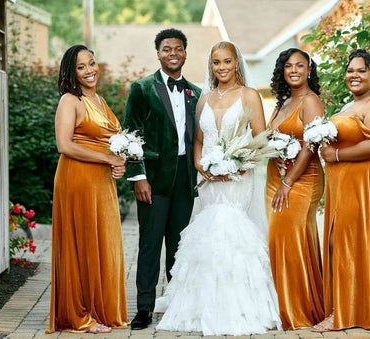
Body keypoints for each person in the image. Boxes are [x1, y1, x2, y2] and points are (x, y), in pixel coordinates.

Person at [154, 41, 281, 336]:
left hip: (238, 178)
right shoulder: (204, 98)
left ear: (236, 62)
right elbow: (198, 140)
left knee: (231, 232)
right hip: (209, 180)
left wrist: (239, 166)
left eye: (226, 61)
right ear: (210, 66)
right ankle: (202, 305)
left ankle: (239, 306)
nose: (221, 67)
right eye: (216, 62)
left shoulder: (249, 95)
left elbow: (261, 140)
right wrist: (202, 166)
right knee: (208, 235)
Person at [315, 49, 370, 331]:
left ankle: (343, 312)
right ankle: (348, 306)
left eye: (361, 70)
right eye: (350, 70)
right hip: (343, 186)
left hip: (363, 186)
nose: (354, 75)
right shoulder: (349, 105)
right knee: (339, 243)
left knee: (344, 245)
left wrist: (336, 156)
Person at [123, 28, 202, 330]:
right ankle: (144, 308)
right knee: (150, 243)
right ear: (158, 53)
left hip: (185, 179)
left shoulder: (196, 92)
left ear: (185, 52)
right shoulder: (142, 88)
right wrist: (138, 176)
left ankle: (175, 303)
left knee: (179, 246)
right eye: (167, 48)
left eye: (178, 48)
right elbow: (130, 135)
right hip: (153, 180)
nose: (173, 53)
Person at [47, 45, 128, 334]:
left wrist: (118, 163)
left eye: (92, 63)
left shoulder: (100, 100)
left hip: (101, 181)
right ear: (71, 72)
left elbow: (109, 143)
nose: (89, 70)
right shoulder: (70, 101)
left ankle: (99, 308)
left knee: (103, 242)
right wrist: (108, 158)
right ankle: (78, 315)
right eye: (81, 67)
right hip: (77, 179)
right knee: (82, 243)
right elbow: (65, 145)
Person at [266, 48, 325, 329]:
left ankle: (299, 310)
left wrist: (288, 182)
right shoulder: (283, 102)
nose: (294, 70)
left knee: (292, 239)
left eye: (300, 65)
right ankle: (280, 305)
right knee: (279, 240)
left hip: (301, 180)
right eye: (288, 66)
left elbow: (310, 145)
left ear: (309, 70)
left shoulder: (311, 102)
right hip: (275, 178)